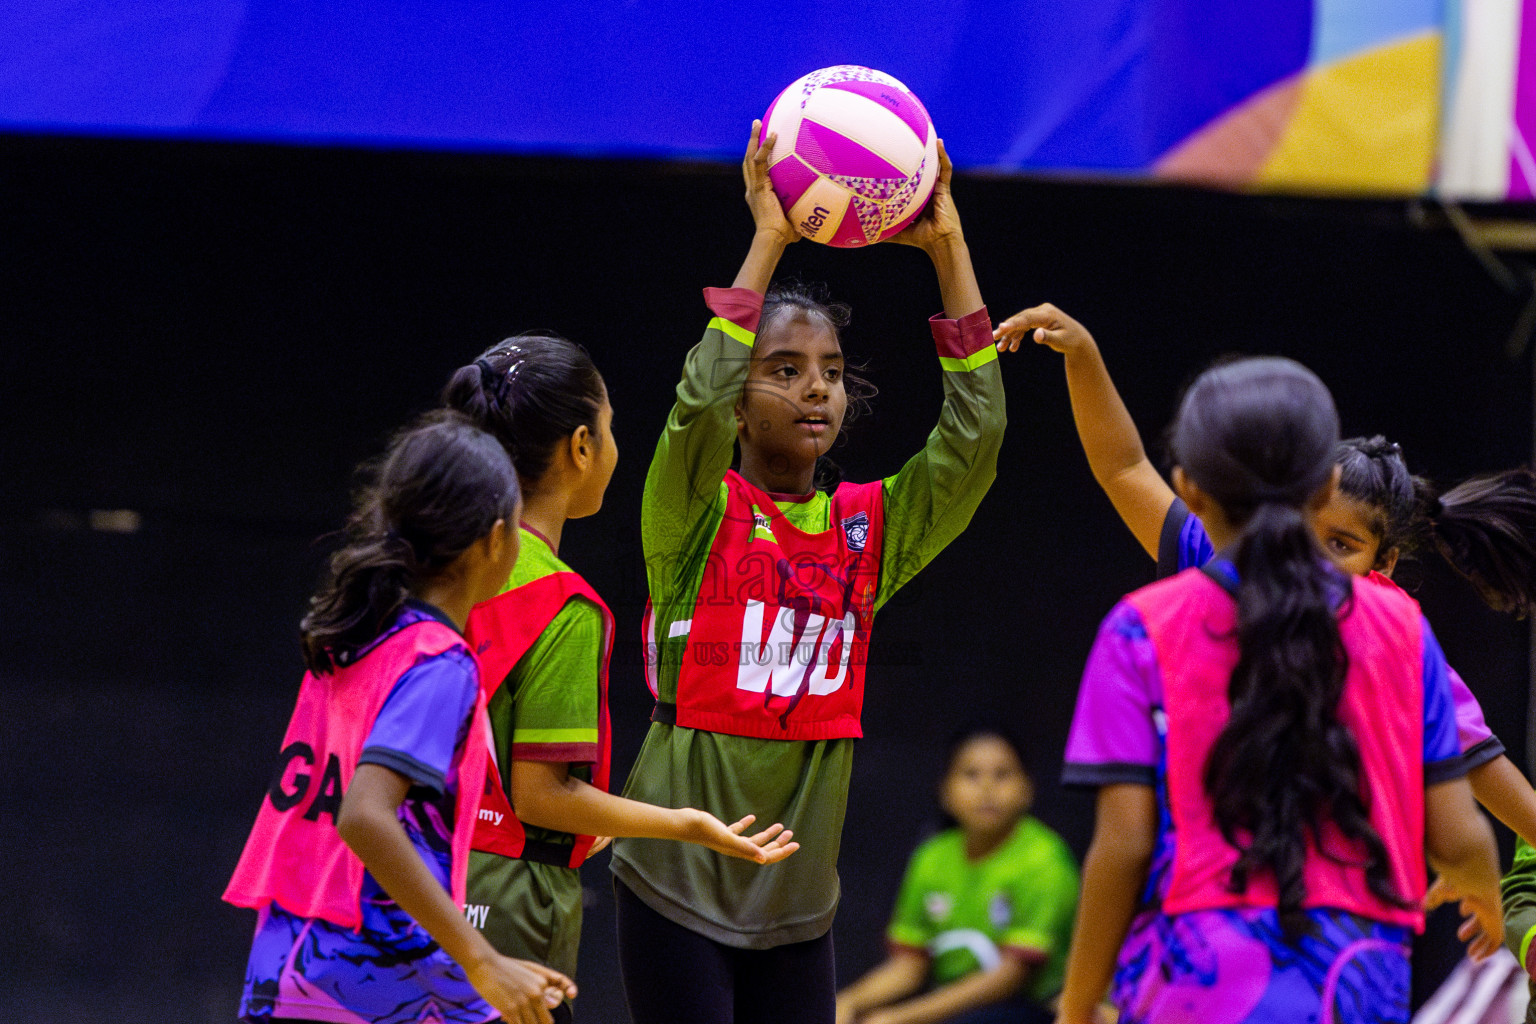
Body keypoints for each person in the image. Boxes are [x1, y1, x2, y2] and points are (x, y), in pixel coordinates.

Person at [608, 123, 1007, 1024]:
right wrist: (770, 237)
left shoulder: (868, 532)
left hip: (797, 905)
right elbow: (694, 401)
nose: (816, 388)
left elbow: (974, 443)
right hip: (675, 884)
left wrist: (949, 247)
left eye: (829, 372)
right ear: (743, 405)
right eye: (784, 371)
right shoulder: (693, 514)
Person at [1054, 356, 1502, 1024]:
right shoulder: (1400, 628)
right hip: (1357, 975)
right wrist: (1484, 896)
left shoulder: (1139, 628)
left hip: (1190, 970)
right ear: (1325, 485)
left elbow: (1122, 849)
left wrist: (1078, 1002)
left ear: (1188, 487)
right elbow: (1460, 837)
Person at [993, 304, 1536, 848]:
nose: (1314, 556)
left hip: (1334, 895)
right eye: (1308, 527)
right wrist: (1084, 356)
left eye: (1342, 545)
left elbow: (1481, 765)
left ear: (1383, 563)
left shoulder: (1393, 633)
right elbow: (1123, 468)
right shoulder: (1221, 556)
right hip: (1209, 879)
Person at [441, 335, 799, 1023]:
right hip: (505, 900)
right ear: (581, 447)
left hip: (407, 887)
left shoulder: (434, 567)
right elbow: (541, 796)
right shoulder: (561, 601)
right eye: (608, 429)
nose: (612, 448)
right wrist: (682, 824)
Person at [224, 413, 578, 1024]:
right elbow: (364, 813)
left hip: (286, 955)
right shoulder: (441, 665)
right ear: (495, 539)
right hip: (372, 970)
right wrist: (483, 960)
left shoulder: (354, 635)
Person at [836, 725, 1078, 1024]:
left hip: (1034, 1007)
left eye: (1002, 774)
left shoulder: (1044, 858)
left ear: (1027, 789)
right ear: (946, 792)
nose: (987, 788)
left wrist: (899, 1018)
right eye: (971, 775)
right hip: (951, 1004)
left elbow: (1011, 977)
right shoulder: (932, 856)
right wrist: (849, 1002)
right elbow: (910, 964)